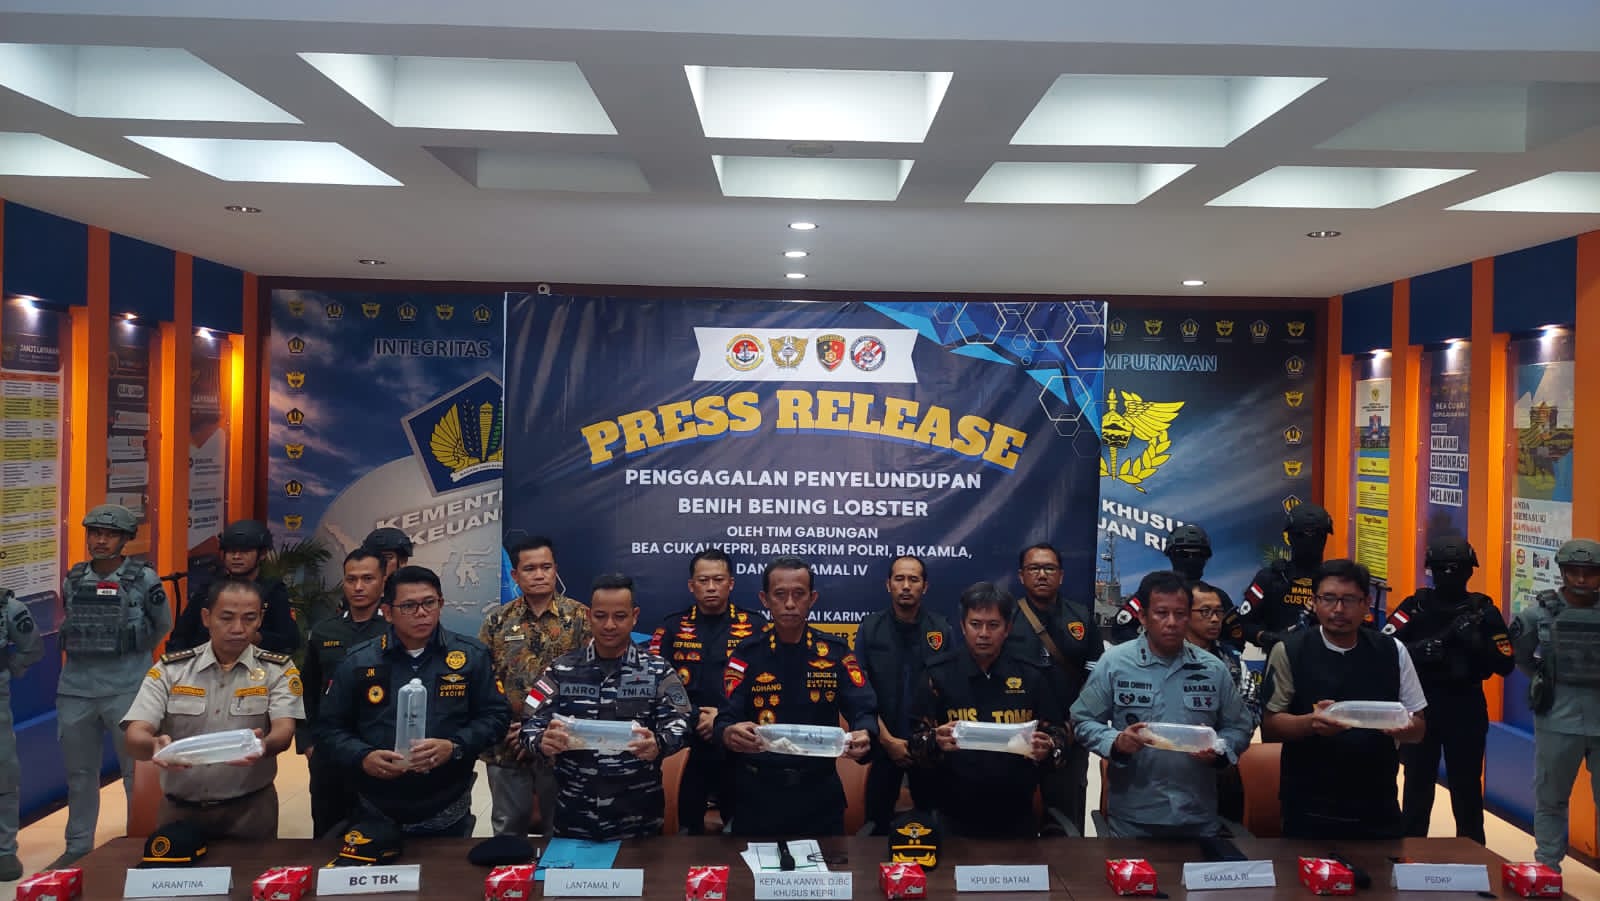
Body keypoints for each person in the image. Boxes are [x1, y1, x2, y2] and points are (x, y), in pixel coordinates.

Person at [317, 566, 509, 836]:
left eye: (429, 603)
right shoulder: (359, 660)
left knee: (446, 865)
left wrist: (454, 746)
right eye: (408, 606)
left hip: (447, 805)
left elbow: (496, 717)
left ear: (441, 604)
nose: (421, 613)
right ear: (387, 612)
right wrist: (362, 756)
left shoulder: (471, 656)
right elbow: (328, 728)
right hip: (374, 805)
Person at [1073, 571, 1255, 838]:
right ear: (1143, 617)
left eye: (1180, 614)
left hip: (1198, 817)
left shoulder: (1213, 669)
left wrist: (1219, 749)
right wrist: (1116, 741)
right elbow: (1082, 720)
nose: (1171, 622)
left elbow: (1239, 727)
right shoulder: (1114, 664)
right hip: (1133, 819)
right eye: (1161, 613)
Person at [122, 580, 302, 839]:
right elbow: (135, 734)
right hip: (179, 813)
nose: (238, 628)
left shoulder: (278, 670)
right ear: (206, 618)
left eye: (249, 618)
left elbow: (284, 732)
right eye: (226, 618)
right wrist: (153, 745)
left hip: (250, 811)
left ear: (260, 620)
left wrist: (264, 746)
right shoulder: (171, 670)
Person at [1262, 559, 1427, 840]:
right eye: (1328, 599)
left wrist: (1404, 728)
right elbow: (1270, 727)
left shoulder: (1392, 650)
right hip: (1309, 805)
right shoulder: (1289, 650)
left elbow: (1419, 728)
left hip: (1377, 802)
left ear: (1366, 604)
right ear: (1314, 602)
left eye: (1349, 600)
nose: (1338, 609)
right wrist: (1311, 723)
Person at [715, 556, 877, 836]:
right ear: (765, 599)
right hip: (757, 796)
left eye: (799, 594)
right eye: (780, 594)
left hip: (818, 796)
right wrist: (729, 733)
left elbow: (864, 709)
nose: (790, 603)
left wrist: (866, 733)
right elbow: (725, 718)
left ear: (812, 598)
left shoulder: (836, 652)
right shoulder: (746, 654)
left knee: (826, 866)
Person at [524, 574, 692, 840]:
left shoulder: (658, 670)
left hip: (638, 818)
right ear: (589, 616)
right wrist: (541, 741)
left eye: (620, 616)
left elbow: (682, 723)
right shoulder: (561, 669)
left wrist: (659, 743)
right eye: (601, 616)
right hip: (574, 814)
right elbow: (529, 723)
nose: (609, 625)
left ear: (635, 616)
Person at [50, 503, 171, 869]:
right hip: (76, 690)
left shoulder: (144, 579)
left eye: (109, 534)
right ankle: (78, 846)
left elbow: (161, 624)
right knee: (79, 775)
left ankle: (140, 842)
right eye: (95, 533)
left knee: (137, 774)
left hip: (126, 689)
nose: (100, 540)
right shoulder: (73, 578)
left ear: (125, 539)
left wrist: (132, 653)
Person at [907, 582, 1064, 837]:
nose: (983, 634)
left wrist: (1048, 748)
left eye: (993, 625)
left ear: (1007, 629)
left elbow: (1059, 736)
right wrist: (934, 741)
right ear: (962, 626)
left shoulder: (1031, 675)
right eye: (975, 624)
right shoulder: (938, 674)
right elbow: (914, 744)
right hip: (952, 815)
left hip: (1016, 814)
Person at [1390, 536, 1514, 844]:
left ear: (1469, 570)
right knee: (1417, 786)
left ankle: (1472, 854)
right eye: (1442, 568)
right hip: (1421, 704)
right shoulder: (1415, 606)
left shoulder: (1483, 611)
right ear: (1431, 569)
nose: (1449, 574)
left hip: (1465, 705)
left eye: (1456, 568)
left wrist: (1476, 642)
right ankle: (1409, 852)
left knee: (1466, 788)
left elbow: (1505, 663)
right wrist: (1419, 650)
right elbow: (1384, 646)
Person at [479, 535, 590, 837]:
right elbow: (485, 681)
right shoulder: (496, 622)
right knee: (508, 828)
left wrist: (542, 729)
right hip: (509, 743)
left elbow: (590, 681)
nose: (539, 575)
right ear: (515, 575)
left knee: (563, 829)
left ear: (556, 570)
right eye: (530, 569)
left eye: (546, 567)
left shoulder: (581, 618)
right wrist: (512, 728)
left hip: (562, 742)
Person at [648, 548, 759, 834]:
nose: (711, 587)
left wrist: (722, 719)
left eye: (718, 580)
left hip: (737, 745)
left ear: (731, 583)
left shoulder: (755, 627)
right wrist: (696, 716)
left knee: (742, 832)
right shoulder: (672, 628)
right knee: (685, 832)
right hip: (688, 743)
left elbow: (764, 685)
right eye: (703, 580)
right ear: (691, 585)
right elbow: (658, 684)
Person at [1510, 538, 1600, 870]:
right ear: (1562, 572)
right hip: (1557, 719)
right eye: (1574, 571)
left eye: (1589, 572)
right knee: (1550, 799)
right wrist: (1545, 677)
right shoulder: (1538, 614)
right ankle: (1547, 868)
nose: (1581, 579)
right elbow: (1519, 655)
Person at [1007, 542, 1102, 835]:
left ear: (1061, 575)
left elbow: (1096, 678)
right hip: (1016, 738)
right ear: (1021, 576)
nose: (1041, 574)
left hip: (1069, 736)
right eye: (1034, 568)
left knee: (1065, 823)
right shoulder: (1006, 618)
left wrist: (1073, 724)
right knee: (1012, 822)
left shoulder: (1081, 617)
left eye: (1049, 568)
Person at [855, 555, 953, 834]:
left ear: (925, 586)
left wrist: (928, 740)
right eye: (899, 579)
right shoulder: (870, 629)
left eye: (913, 579)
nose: (906, 586)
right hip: (883, 746)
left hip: (930, 752)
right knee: (875, 831)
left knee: (933, 830)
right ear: (888, 585)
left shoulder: (941, 630)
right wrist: (887, 741)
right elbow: (859, 693)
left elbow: (950, 692)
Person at [298, 548, 390, 838]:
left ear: (383, 581)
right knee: (328, 832)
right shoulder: (324, 632)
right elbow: (307, 690)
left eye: (367, 579)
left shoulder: (396, 629)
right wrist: (308, 743)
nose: (358, 587)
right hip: (330, 751)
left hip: (379, 747)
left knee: (380, 832)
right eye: (351, 579)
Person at [169, 519, 299, 655]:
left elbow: (290, 641)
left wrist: (256, 638)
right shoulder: (208, 589)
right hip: (204, 663)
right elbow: (180, 636)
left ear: (262, 554)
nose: (236, 557)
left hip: (256, 665)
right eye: (231, 551)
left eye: (244, 551)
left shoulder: (273, 591)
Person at [1186, 581, 1257, 823]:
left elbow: (1251, 708)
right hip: (1172, 764)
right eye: (1205, 612)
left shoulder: (1232, 660)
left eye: (1218, 612)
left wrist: (1221, 744)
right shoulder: (1165, 656)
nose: (1215, 619)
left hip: (1221, 764)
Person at [1110, 525, 1240, 647]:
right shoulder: (1152, 592)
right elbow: (1121, 628)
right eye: (1183, 554)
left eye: (1198, 554)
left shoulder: (1217, 598)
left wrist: (1207, 654)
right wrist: (1154, 650)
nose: (1191, 559)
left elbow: (1235, 638)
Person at [1236, 503, 1333, 653]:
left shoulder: (1335, 581)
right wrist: (1264, 637)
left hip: (1327, 658)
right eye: (1301, 535)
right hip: (1281, 657)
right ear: (1290, 537)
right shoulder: (1271, 577)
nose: (1310, 541)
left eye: (1318, 535)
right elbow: (1242, 623)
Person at [1, 589, 43, 880]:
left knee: (4, 775)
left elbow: (33, 647)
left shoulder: (9, 608)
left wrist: (9, 669)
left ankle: (4, 850)